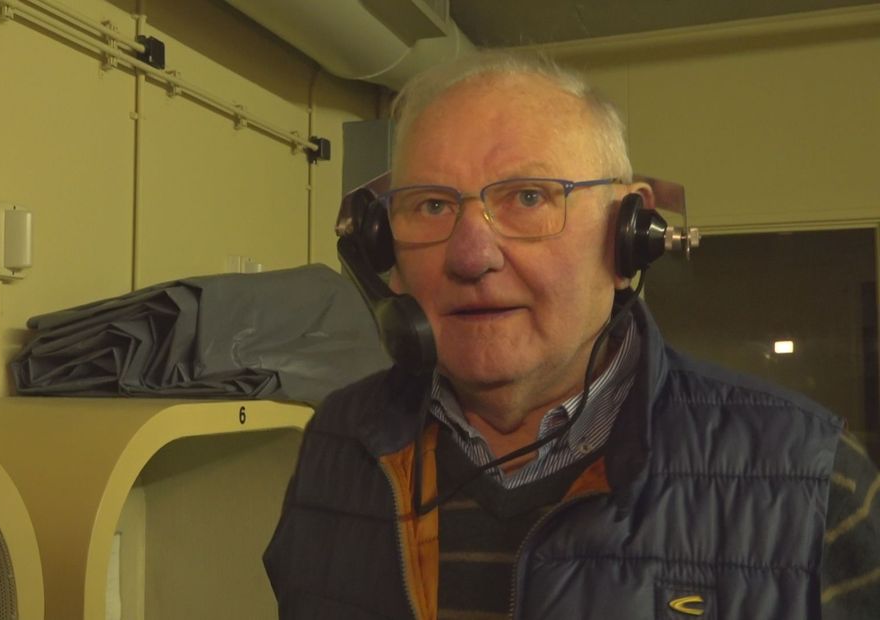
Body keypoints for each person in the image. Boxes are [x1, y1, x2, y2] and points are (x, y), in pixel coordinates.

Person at [263, 49, 880, 619]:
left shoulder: (817, 480)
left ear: (628, 236)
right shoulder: (337, 441)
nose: (471, 255)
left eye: (528, 197)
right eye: (430, 205)